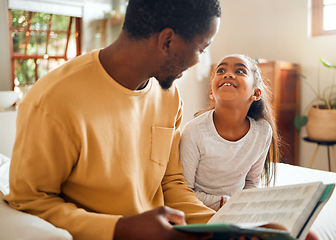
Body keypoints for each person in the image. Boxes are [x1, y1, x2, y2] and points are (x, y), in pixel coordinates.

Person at [4, 1, 222, 240]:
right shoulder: (53, 102)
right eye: (201, 49)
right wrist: (120, 228)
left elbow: (170, 182)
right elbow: (29, 201)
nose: (198, 61)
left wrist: (221, 225)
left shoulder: (169, 94)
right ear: (167, 41)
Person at [179, 54, 280, 211]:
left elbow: (252, 183)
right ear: (212, 91)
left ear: (256, 93)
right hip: (200, 210)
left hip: (237, 210)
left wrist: (242, 207)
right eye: (221, 70)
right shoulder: (195, 131)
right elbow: (184, 191)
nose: (228, 74)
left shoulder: (262, 132)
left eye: (240, 71)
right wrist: (225, 204)